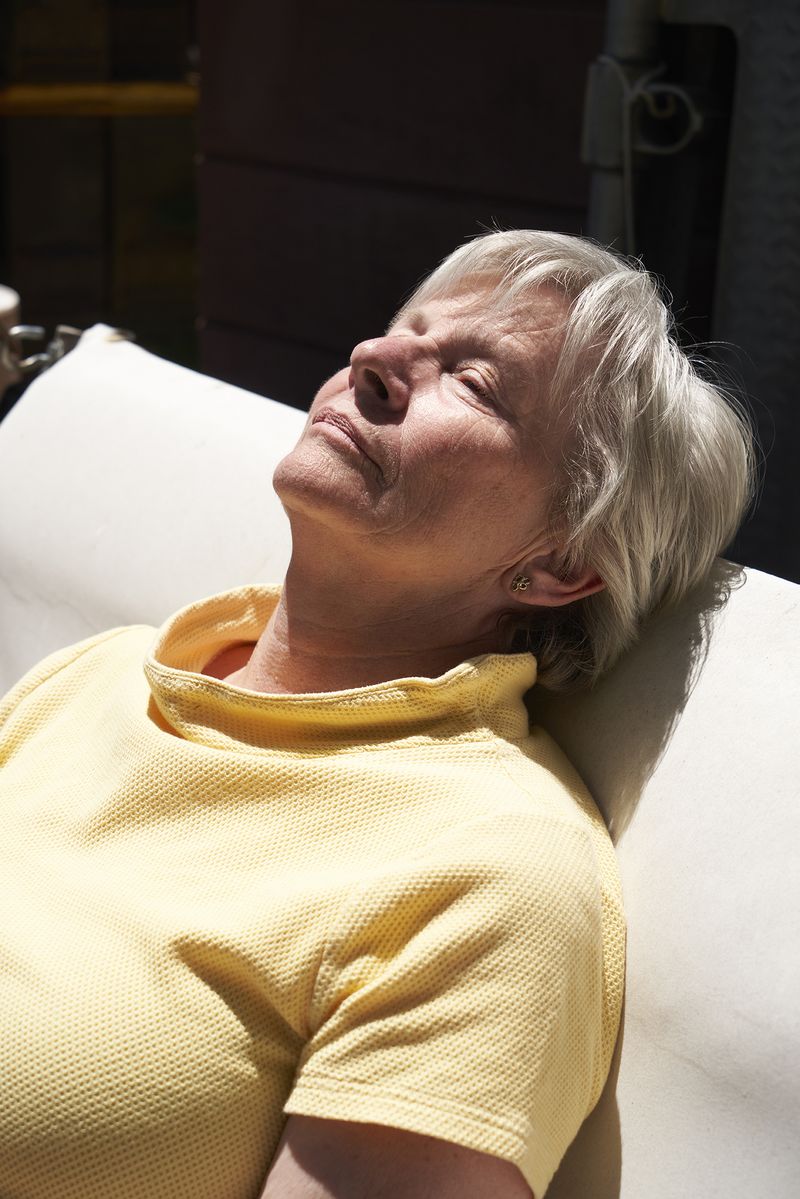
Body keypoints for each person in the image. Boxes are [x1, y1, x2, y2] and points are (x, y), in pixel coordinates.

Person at [0, 230, 753, 1199]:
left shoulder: (481, 874)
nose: (375, 357)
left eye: (474, 382)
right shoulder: (100, 676)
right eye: (404, 330)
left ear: (561, 562)